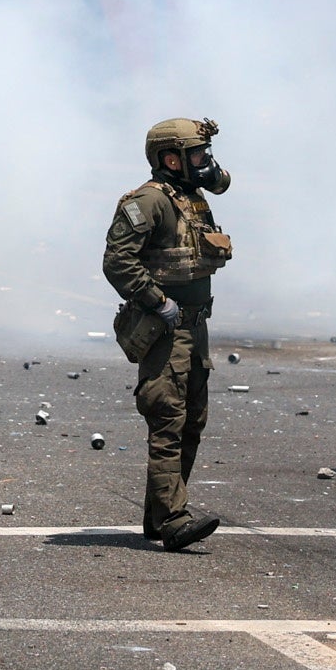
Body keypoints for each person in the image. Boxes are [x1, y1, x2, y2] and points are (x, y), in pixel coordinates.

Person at [102, 117, 232, 551]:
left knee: (192, 420)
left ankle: (157, 517)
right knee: (167, 419)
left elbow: (221, 182)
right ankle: (174, 519)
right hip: (166, 328)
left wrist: (210, 171)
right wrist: (158, 301)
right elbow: (118, 260)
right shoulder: (149, 201)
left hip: (195, 327)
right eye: (196, 155)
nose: (204, 162)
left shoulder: (189, 198)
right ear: (170, 158)